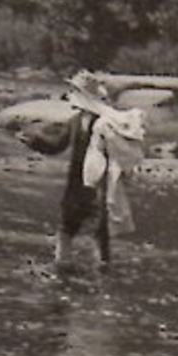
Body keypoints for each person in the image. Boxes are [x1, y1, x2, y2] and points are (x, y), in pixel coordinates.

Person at [55, 71, 146, 269]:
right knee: (68, 225)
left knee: (97, 228)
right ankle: (64, 264)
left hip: (97, 181)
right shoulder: (76, 117)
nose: (70, 93)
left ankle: (99, 269)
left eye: (74, 90)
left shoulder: (103, 122)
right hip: (77, 178)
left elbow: (115, 151)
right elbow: (60, 143)